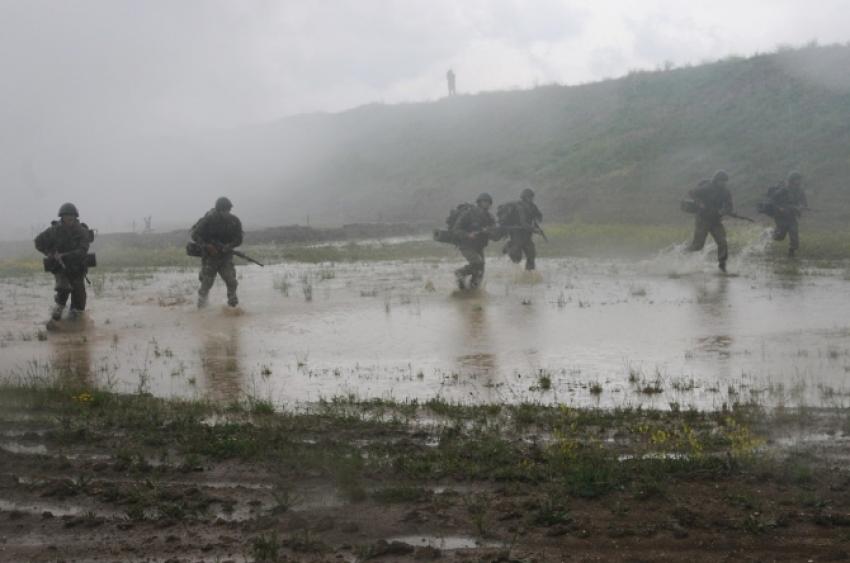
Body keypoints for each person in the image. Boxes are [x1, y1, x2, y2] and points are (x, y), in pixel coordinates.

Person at [34, 203, 92, 321]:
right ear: (62, 217)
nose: (69, 217)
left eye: (72, 215)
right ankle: (56, 319)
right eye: (66, 215)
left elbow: (83, 250)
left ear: (76, 216)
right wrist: (50, 254)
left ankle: (76, 323)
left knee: (79, 300)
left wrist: (65, 255)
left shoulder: (82, 231)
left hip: (77, 268)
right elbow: (38, 242)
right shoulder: (53, 231)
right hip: (60, 268)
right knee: (63, 291)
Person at [191, 197, 244, 308]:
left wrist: (229, 246)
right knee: (206, 283)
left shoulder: (234, 221)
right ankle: (201, 307)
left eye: (228, 210)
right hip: (210, 257)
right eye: (224, 210)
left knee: (231, 281)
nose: (226, 213)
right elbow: (195, 235)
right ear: (219, 209)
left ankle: (232, 307)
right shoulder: (209, 220)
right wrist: (207, 246)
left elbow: (239, 239)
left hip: (225, 257)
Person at [686, 170, 733, 272]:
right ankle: (681, 254)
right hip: (702, 219)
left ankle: (722, 266)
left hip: (716, 221)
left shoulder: (726, 192)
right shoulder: (707, 187)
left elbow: (729, 206)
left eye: (725, 181)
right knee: (698, 246)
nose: (724, 183)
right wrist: (700, 203)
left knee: (723, 242)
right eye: (722, 181)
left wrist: (723, 211)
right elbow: (692, 192)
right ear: (716, 180)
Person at [452, 193, 495, 290]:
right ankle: (460, 273)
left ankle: (471, 291)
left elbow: (495, 235)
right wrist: (468, 235)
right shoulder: (469, 214)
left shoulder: (490, 217)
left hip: (479, 247)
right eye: (484, 202)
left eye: (488, 202)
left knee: (480, 272)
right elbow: (456, 229)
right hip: (466, 245)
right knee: (477, 263)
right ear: (479, 202)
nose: (486, 204)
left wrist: (490, 231)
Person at [766, 171, 808, 257]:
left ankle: (791, 252)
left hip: (792, 216)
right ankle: (768, 233)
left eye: (799, 180)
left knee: (794, 233)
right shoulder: (783, 189)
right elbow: (773, 200)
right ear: (792, 180)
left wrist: (801, 207)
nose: (799, 181)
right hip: (781, 216)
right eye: (797, 180)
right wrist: (779, 208)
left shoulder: (800, 191)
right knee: (780, 237)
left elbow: (804, 203)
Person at [501, 188, 543, 270]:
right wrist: (535, 230)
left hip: (527, 235)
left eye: (531, 197)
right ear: (524, 197)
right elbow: (524, 224)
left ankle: (529, 274)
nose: (530, 198)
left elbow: (539, 216)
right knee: (516, 258)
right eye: (528, 197)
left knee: (531, 254)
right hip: (517, 234)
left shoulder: (532, 206)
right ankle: (509, 246)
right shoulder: (520, 207)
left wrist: (537, 218)